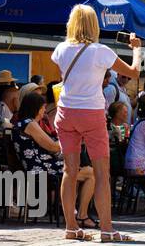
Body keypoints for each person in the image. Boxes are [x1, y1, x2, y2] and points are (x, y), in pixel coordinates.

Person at [51, 5, 144, 242]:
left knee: (69, 171)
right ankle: (106, 229)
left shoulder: (60, 49)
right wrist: (136, 49)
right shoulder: (100, 51)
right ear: (94, 26)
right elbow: (133, 72)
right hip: (91, 112)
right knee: (102, 173)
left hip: (65, 112)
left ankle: (71, 228)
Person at [11, 91, 97, 236]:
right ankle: (81, 215)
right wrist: (74, 137)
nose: (44, 110)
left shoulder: (25, 123)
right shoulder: (30, 124)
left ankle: (77, 214)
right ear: (35, 108)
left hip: (42, 165)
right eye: (43, 107)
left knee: (86, 171)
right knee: (91, 173)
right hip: (42, 168)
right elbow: (51, 146)